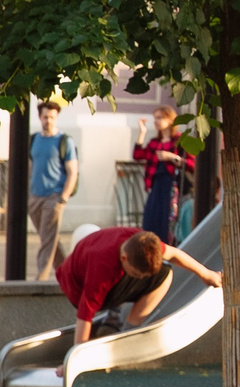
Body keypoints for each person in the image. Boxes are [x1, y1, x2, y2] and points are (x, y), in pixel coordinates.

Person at [57, 226, 219, 342]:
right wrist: (75, 356)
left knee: (165, 273)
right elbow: (85, 314)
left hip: (95, 270)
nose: (139, 278)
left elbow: (174, 254)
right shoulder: (102, 270)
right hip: (76, 290)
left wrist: (207, 274)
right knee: (160, 276)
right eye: (136, 274)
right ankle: (122, 327)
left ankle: (127, 324)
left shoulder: (141, 241)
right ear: (124, 258)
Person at [27, 99, 79, 279]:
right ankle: (68, 273)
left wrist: (63, 196)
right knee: (49, 238)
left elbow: (72, 171)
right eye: (45, 117)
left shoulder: (64, 141)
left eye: (52, 117)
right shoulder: (34, 139)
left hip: (54, 196)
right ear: (40, 117)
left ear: (56, 118)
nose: (48, 120)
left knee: (47, 240)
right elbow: (30, 167)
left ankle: (40, 279)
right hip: (35, 196)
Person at [134, 108, 192, 244]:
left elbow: (191, 164)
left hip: (173, 188)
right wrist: (142, 133)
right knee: (150, 220)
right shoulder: (155, 142)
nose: (156, 121)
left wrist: (172, 157)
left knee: (168, 221)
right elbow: (137, 155)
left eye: (160, 118)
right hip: (156, 186)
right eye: (155, 118)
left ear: (170, 120)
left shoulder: (180, 140)